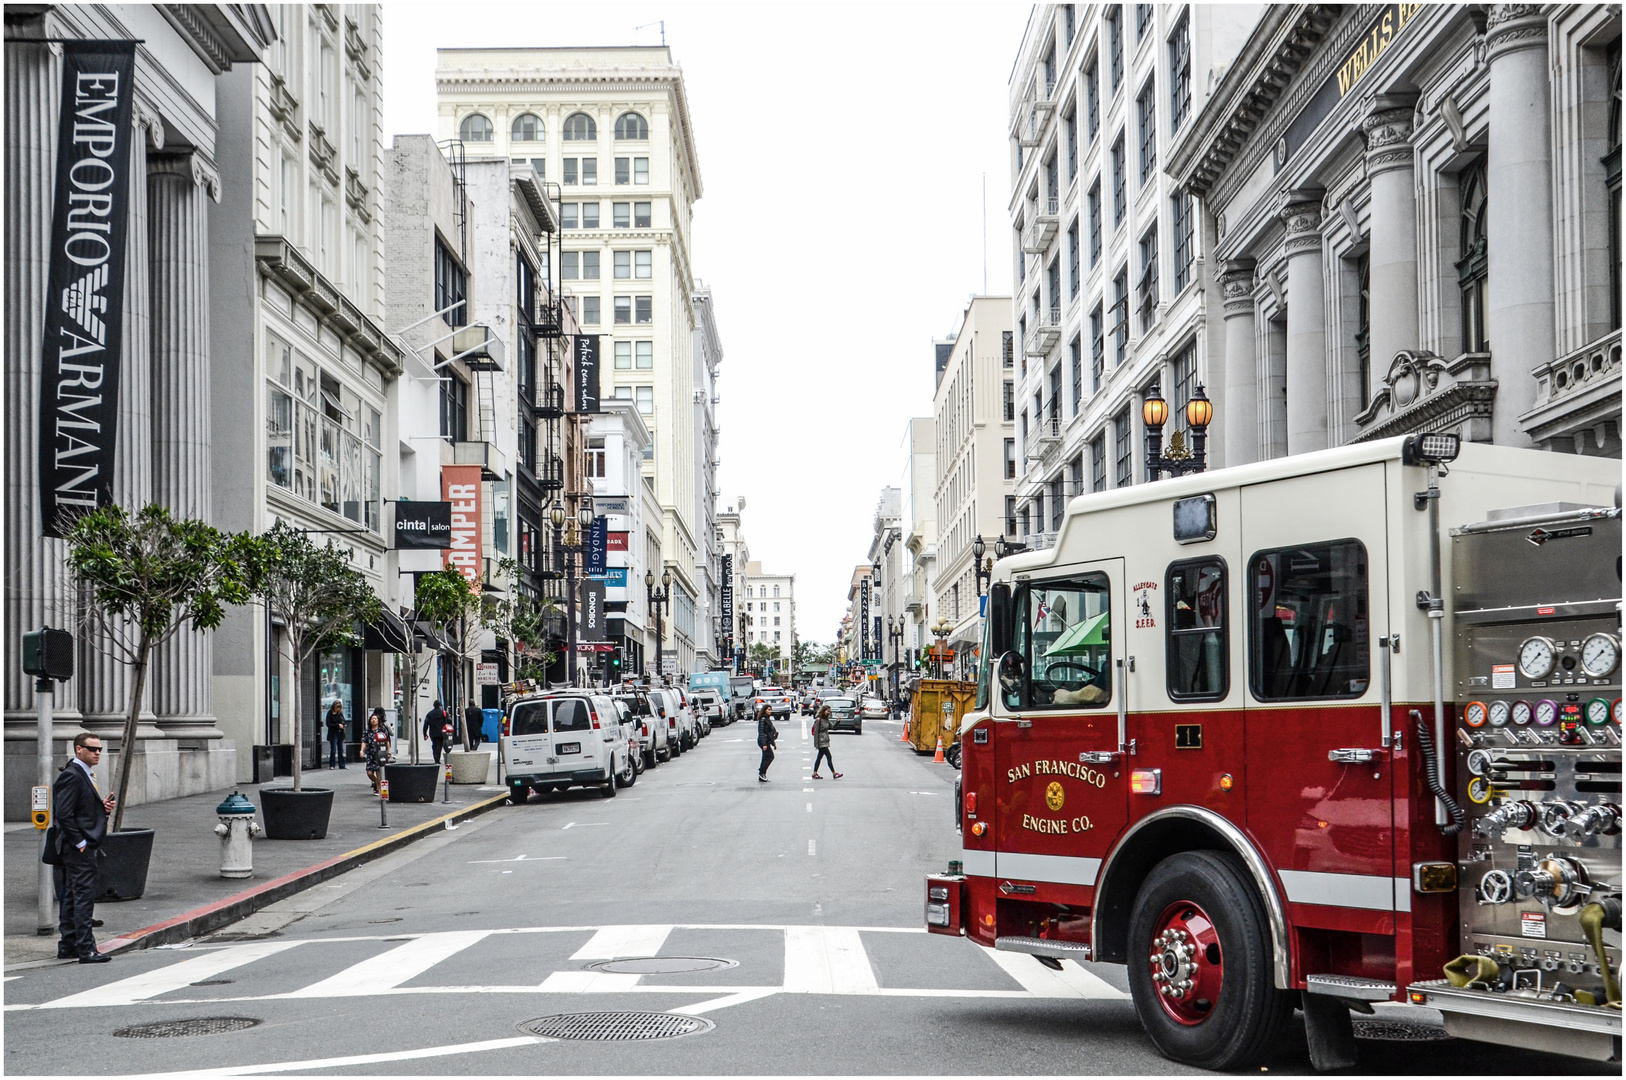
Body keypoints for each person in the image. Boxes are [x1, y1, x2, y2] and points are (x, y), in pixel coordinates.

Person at [49, 732, 115, 963]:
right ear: (78, 749)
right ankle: (86, 949)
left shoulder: (83, 774)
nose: (97, 753)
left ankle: (68, 946)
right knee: (83, 897)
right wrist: (81, 843)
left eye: (100, 749)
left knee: (71, 896)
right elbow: (64, 814)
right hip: (77, 848)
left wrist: (101, 808)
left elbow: (78, 810)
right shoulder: (73, 775)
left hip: (77, 846)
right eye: (92, 749)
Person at [811, 705, 842, 780]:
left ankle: (815, 773)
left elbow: (833, 727)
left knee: (819, 758)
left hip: (825, 740)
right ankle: (834, 773)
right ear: (823, 711)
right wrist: (816, 744)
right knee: (829, 756)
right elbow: (816, 732)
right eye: (827, 711)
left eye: (829, 711)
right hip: (821, 742)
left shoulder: (826, 720)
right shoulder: (818, 720)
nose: (829, 713)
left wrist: (837, 721)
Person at [363, 710, 390, 794]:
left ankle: (377, 788)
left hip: (380, 753)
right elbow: (364, 741)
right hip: (370, 753)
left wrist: (388, 752)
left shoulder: (382, 730)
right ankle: (376, 782)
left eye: (375, 719)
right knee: (369, 772)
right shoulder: (367, 731)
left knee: (379, 771)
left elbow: (387, 742)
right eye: (372, 719)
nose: (373, 720)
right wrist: (361, 750)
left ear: (378, 720)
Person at [756, 703, 778, 783]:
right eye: (768, 709)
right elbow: (762, 733)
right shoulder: (763, 720)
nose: (770, 711)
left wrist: (773, 743)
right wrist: (764, 744)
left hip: (767, 741)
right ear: (764, 710)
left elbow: (769, 733)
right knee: (770, 756)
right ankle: (762, 772)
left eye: (771, 709)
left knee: (766, 757)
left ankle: (762, 774)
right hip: (763, 741)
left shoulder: (767, 719)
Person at [423, 700, 449, 764]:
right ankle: (437, 758)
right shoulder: (443, 713)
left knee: (435, 744)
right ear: (440, 706)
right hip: (441, 732)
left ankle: (436, 757)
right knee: (439, 745)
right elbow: (449, 721)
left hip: (433, 732)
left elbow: (426, 724)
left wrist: (425, 734)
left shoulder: (430, 714)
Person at [324, 701, 347, 770]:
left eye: (339, 708)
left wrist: (343, 725)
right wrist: (337, 725)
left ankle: (342, 764)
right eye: (337, 707)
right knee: (333, 749)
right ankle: (332, 764)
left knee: (341, 749)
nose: (338, 709)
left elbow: (343, 721)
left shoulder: (340, 714)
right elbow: (328, 724)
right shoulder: (330, 713)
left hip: (340, 733)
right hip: (333, 733)